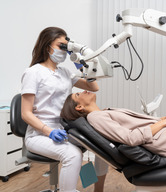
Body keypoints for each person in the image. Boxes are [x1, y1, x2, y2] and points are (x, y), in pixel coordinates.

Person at [21, 27, 108, 192]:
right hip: (39, 134)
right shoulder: (33, 73)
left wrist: (81, 66)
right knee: (73, 155)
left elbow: (93, 86)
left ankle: (98, 190)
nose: (65, 50)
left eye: (66, 46)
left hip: (64, 128)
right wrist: (49, 131)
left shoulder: (65, 72)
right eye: (61, 46)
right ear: (48, 47)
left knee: (102, 145)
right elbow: (25, 113)